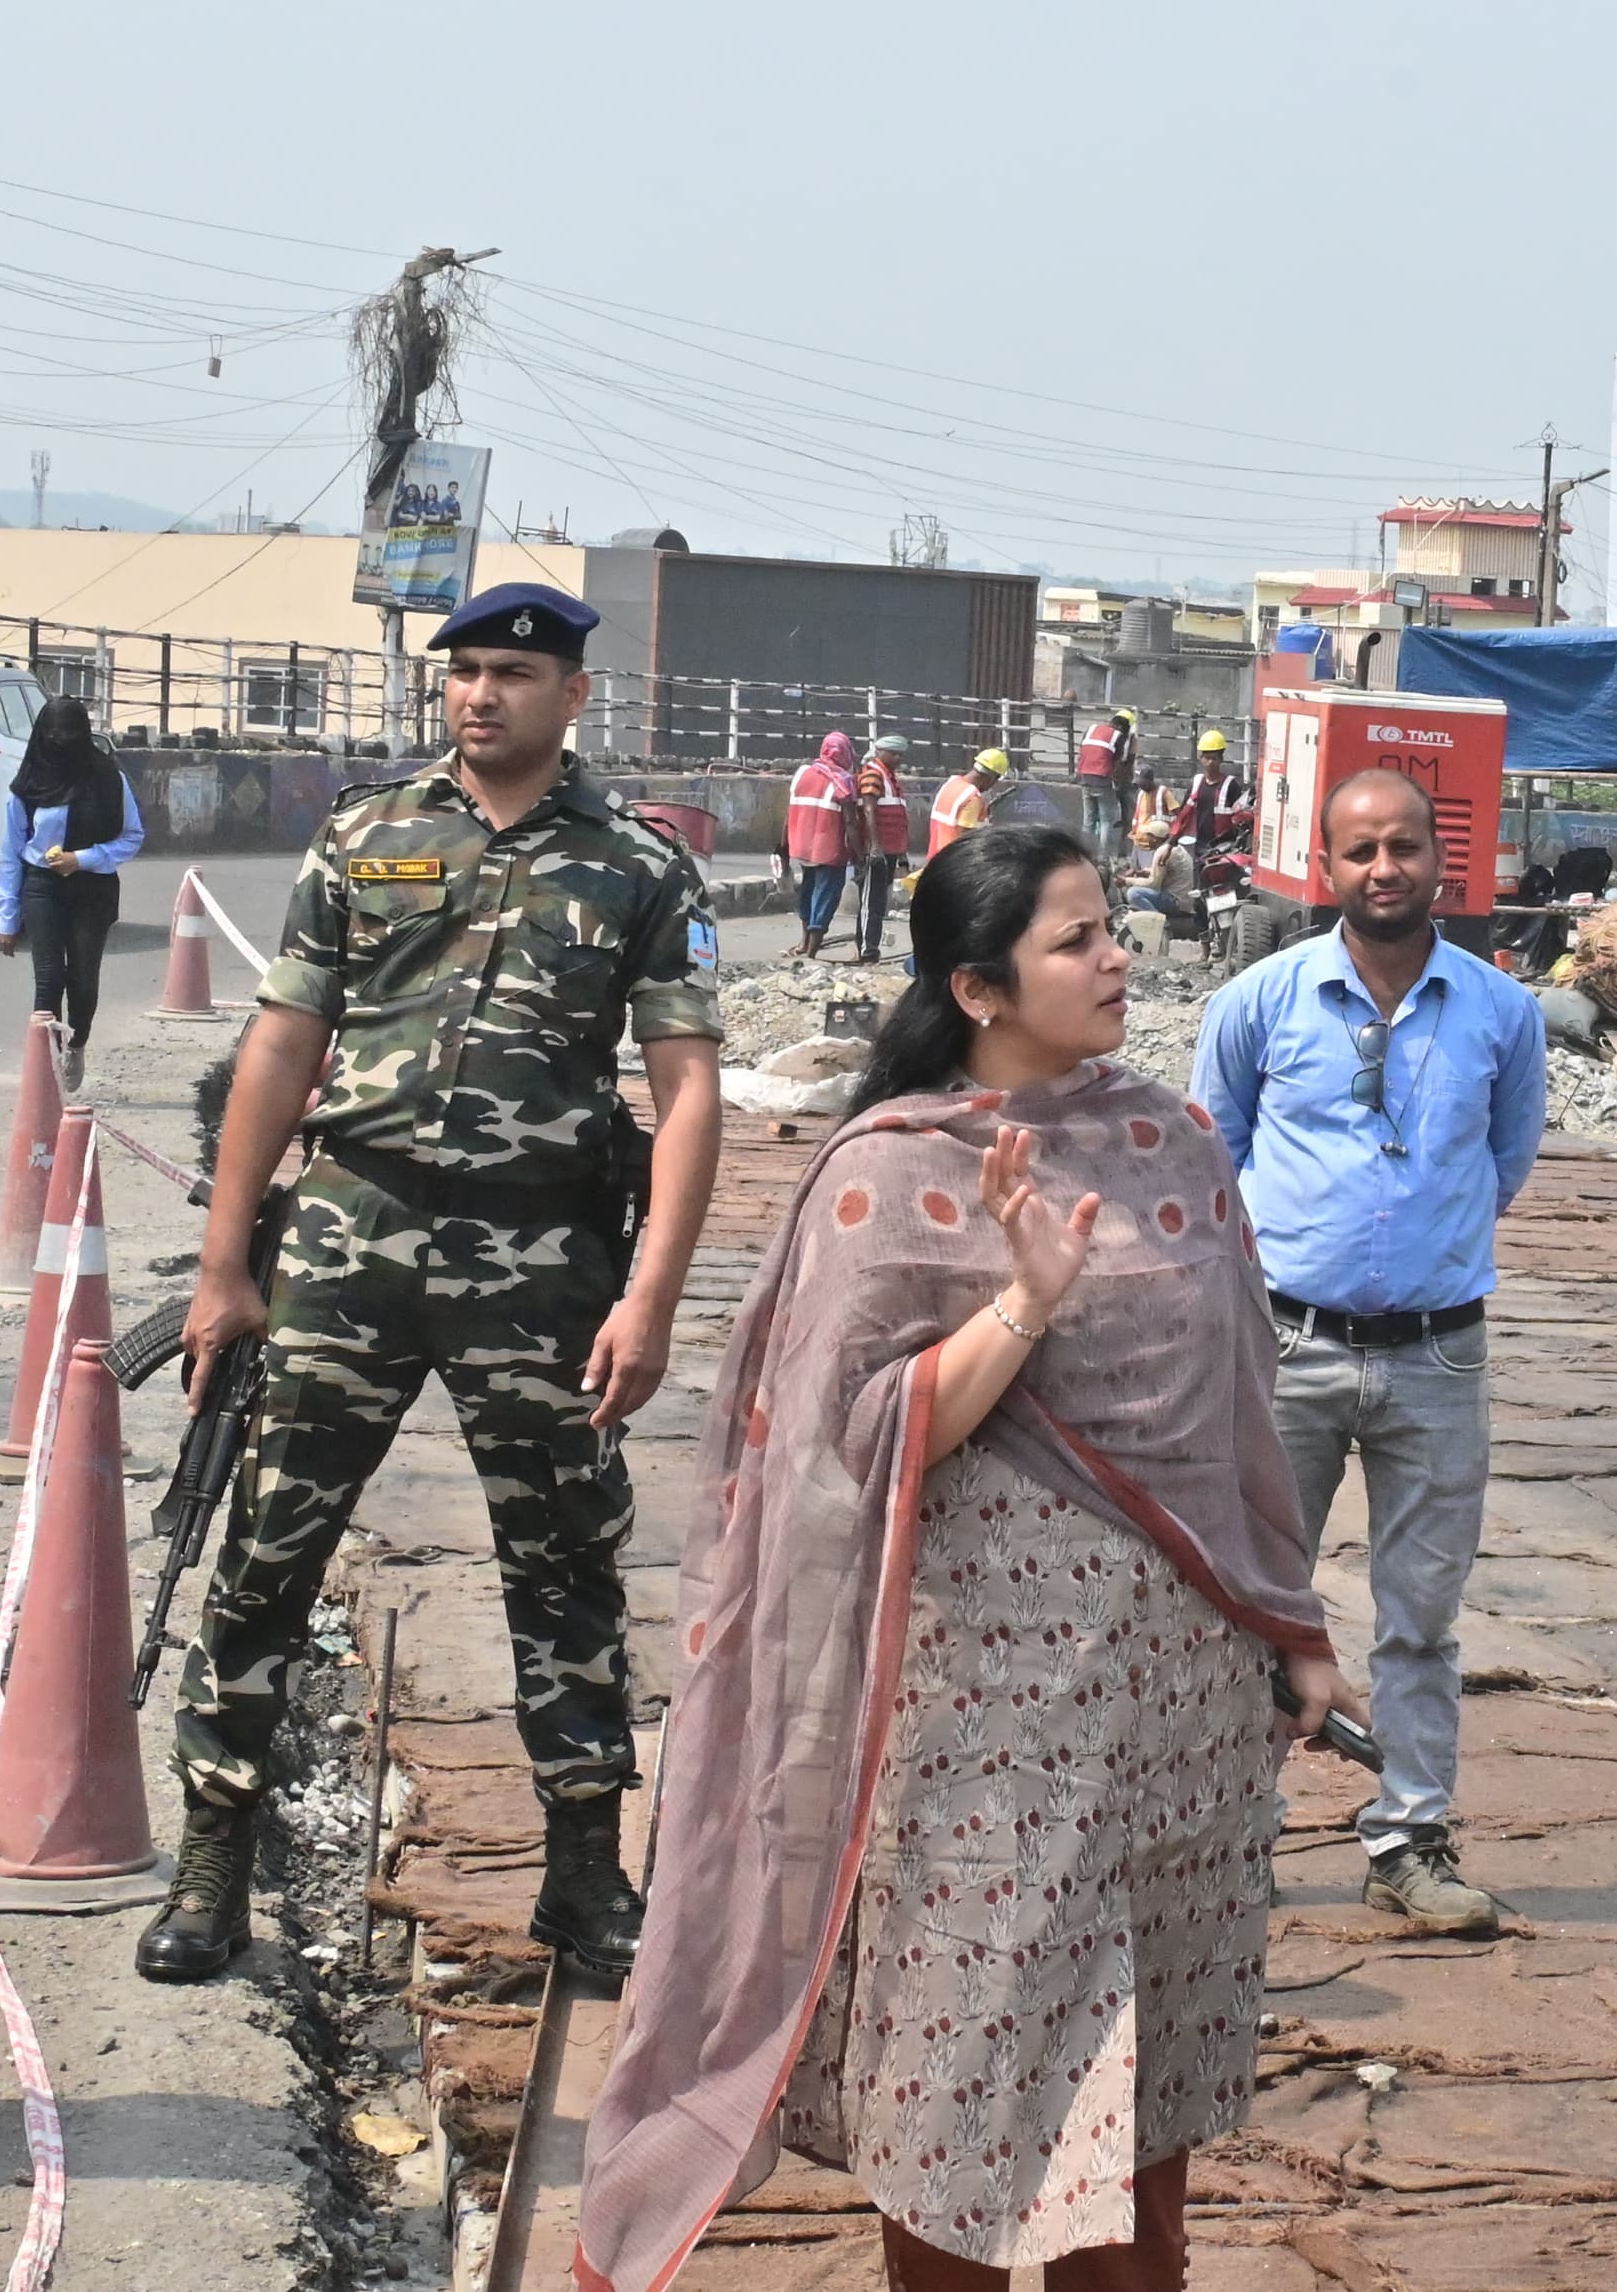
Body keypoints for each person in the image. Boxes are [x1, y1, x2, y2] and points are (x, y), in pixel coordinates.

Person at [578, 825, 1357, 2292]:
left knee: (1148, 2093)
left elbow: (1239, 1399)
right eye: (1078, 938)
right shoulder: (888, 1175)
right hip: (987, 1718)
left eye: (1112, 924)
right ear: (979, 988)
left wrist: (1291, 1619)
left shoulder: (1170, 1142)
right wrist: (1023, 1305)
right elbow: (847, 1446)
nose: (1119, 954)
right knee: (975, 2065)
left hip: (1179, 1715)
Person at [144, 581, 724, 1988]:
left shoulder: (639, 865)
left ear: (574, 695)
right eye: (463, 671)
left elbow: (689, 1086)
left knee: (567, 1558)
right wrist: (225, 1266)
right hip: (351, 1233)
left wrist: (650, 1296)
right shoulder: (364, 832)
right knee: (271, 1540)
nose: (481, 695)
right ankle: (217, 1855)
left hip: (540, 1256)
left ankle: (584, 1872)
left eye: (514, 673)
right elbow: (284, 1045)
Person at [1194, 771, 1547, 1936]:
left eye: (1403, 847)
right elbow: (1217, 1157)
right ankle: (1228, 1829)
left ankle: (1408, 1839)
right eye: (1360, 851)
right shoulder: (1260, 1000)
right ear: (1325, 864)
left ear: (1439, 861)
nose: (1382, 869)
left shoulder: (1500, 1012)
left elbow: (1502, 1164)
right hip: (1284, 1348)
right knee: (1252, 1599)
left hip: (1438, 1359)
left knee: (1422, 1615)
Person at [0, 694, 144, 1081]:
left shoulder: (109, 779)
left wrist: (84, 859)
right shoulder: (26, 786)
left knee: (82, 977)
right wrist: (6, 917)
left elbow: (132, 837)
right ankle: (46, 1072)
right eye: (54, 737)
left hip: (92, 889)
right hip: (41, 886)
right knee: (48, 978)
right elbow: (11, 851)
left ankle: (76, 1045)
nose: (62, 747)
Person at [787, 729, 859, 959]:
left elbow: (788, 812)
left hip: (802, 844)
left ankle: (803, 942)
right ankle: (813, 952)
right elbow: (850, 821)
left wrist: (782, 844)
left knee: (807, 892)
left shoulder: (803, 773)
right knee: (826, 896)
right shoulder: (844, 781)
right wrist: (857, 852)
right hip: (829, 847)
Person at [850, 735, 914, 961]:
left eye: (900, 754)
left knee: (878, 901)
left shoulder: (891, 780)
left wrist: (902, 855)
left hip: (890, 849)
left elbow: (898, 820)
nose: (898, 758)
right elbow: (869, 810)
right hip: (876, 851)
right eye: (893, 754)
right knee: (871, 901)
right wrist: (875, 846)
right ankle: (869, 951)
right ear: (880, 752)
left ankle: (867, 947)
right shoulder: (873, 775)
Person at [1176, 729, 1252, 859]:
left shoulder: (1230, 785)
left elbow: (1240, 818)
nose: (1211, 762)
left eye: (1214, 758)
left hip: (1221, 848)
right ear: (1201, 759)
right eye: (1207, 758)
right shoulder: (1196, 783)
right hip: (1196, 845)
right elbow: (1183, 815)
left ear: (1221, 760)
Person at [1076, 707, 1135, 860]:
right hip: (1102, 779)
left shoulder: (1091, 729)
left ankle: (1084, 855)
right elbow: (1119, 760)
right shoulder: (1118, 736)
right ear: (1123, 727)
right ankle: (1102, 858)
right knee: (1106, 820)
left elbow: (1083, 751)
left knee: (1088, 820)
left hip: (1084, 778)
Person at [929, 745, 1001, 859]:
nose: (991, 786)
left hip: (936, 858)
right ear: (991, 777)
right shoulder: (972, 798)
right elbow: (967, 836)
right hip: (954, 863)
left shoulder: (951, 784)